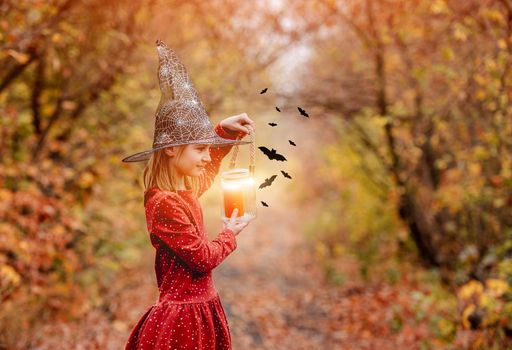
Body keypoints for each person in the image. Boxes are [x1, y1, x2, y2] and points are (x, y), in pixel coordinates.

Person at [121, 40, 255, 349]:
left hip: (199, 311)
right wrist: (229, 234)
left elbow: (207, 172)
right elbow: (201, 259)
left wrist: (225, 131)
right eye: (200, 149)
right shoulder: (164, 203)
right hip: (182, 322)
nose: (208, 156)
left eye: (208, 149)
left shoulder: (181, 193)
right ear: (170, 149)